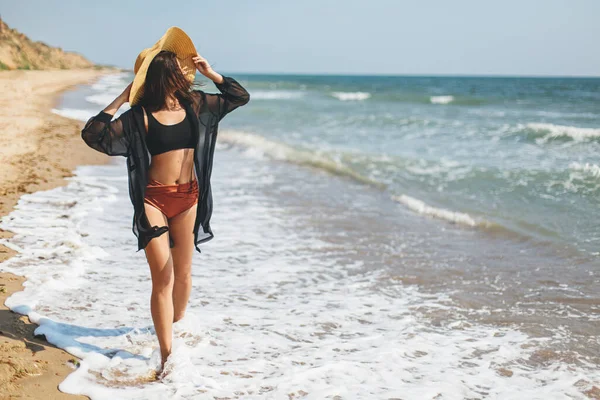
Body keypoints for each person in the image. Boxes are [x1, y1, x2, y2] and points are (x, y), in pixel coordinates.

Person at [80, 27, 250, 376]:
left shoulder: (196, 104)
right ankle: (167, 353)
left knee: (184, 274)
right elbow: (93, 135)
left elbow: (238, 96)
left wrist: (212, 74)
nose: (185, 75)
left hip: (188, 197)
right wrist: (122, 98)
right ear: (164, 77)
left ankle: (177, 326)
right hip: (154, 199)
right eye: (178, 71)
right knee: (164, 277)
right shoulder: (138, 117)